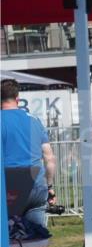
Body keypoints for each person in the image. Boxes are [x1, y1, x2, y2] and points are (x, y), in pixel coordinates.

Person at [2, 79, 56, 229]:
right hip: (36, 186)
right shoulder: (35, 120)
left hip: (9, 187)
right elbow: (49, 158)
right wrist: (50, 186)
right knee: (38, 237)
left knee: (8, 237)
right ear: (17, 99)